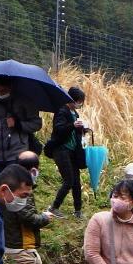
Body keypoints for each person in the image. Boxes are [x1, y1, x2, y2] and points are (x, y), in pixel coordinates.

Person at [0, 150, 54, 264]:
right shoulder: (20, 192)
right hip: (21, 244)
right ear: (34, 169)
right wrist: (44, 218)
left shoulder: (13, 188)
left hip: (18, 243)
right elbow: (28, 218)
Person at [0, 77, 43, 190]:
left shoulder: (24, 101)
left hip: (17, 153)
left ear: (10, 86)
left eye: (3, 89)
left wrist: (18, 124)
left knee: (16, 188)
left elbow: (36, 124)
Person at [47, 86, 87, 218]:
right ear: (72, 99)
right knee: (69, 180)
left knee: (76, 181)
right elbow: (59, 130)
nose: (80, 104)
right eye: (78, 101)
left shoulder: (76, 114)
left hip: (73, 151)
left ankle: (78, 211)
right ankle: (54, 207)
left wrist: (83, 129)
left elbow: (76, 132)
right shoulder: (62, 111)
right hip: (61, 149)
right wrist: (72, 126)